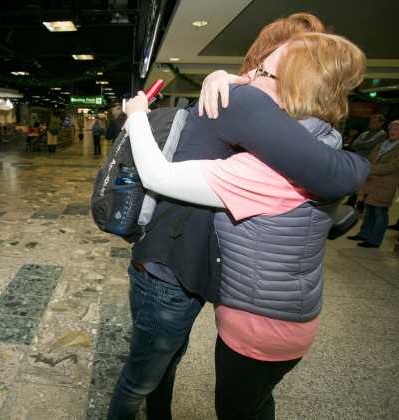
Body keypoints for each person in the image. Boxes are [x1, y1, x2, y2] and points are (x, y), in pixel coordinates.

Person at [106, 13, 368, 420]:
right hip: (171, 274)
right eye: (257, 66)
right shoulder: (317, 135)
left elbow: (335, 175)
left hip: (238, 302)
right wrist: (223, 77)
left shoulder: (276, 145)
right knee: (151, 377)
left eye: (259, 70)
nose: (246, 76)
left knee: (200, 387)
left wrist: (138, 114)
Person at [348, 120, 399, 248]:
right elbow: (369, 159)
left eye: (397, 129)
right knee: (368, 210)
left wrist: (370, 169)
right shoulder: (381, 144)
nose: (393, 131)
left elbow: (391, 166)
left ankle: (375, 240)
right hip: (371, 183)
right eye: (391, 128)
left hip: (385, 184)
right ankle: (364, 234)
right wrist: (368, 167)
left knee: (380, 212)